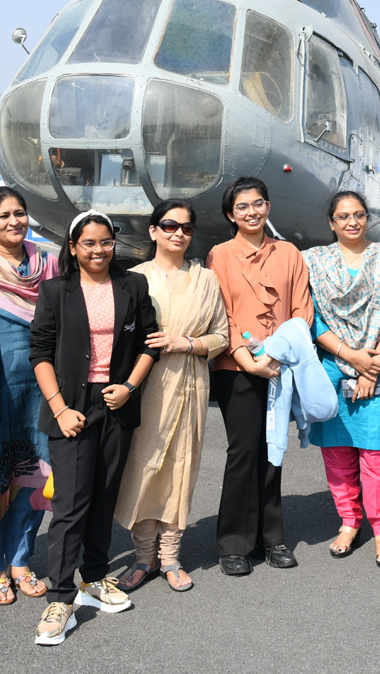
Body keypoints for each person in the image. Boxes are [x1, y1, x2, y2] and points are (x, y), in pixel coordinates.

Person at [30, 210, 158, 646]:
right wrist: (60, 407)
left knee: (104, 495)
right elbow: (40, 353)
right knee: (70, 503)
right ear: (72, 247)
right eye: (89, 243)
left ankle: (95, 577)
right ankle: (61, 596)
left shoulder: (132, 284)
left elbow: (148, 343)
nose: (99, 250)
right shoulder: (54, 291)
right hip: (71, 405)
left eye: (106, 242)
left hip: (116, 401)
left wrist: (129, 387)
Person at [115, 200, 229, 593]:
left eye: (186, 228)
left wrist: (189, 342)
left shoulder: (206, 280)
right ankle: (143, 557)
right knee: (143, 469)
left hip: (190, 386)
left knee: (182, 470)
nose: (178, 233)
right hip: (145, 389)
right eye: (169, 225)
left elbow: (221, 337)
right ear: (153, 231)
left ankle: (170, 557)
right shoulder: (133, 278)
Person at [303, 191, 380, 569]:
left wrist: (374, 363)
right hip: (333, 369)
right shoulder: (314, 263)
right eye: (343, 216)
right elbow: (312, 317)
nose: (352, 222)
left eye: (359, 215)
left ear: (368, 218)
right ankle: (349, 522)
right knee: (337, 456)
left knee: (378, 457)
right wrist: (349, 356)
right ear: (332, 222)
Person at [206, 176, 312, 576]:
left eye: (258, 203)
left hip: (279, 364)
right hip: (236, 367)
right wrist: (248, 359)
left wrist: (280, 353)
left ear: (268, 206)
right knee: (242, 452)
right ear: (230, 214)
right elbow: (220, 314)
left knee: (273, 451)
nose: (251, 212)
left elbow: (302, 309)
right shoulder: (218, 255)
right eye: (242, 207)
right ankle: (234, 543)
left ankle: (272, 538)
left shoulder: (288, 253)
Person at [0, 188, 60, 605]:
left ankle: (20, 560)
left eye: (19, 213)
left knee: (35, 477)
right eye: (3, 216)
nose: (14, 221)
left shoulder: (48, 262)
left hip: (42, 385)